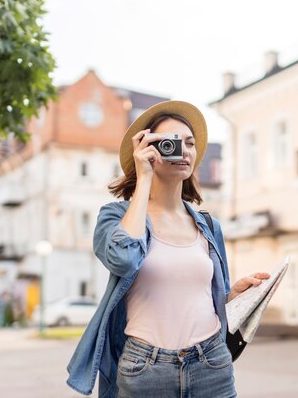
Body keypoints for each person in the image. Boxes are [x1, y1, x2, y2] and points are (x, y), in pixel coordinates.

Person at [67, 101, 270, 398]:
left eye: (189, 143)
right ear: (148, 149)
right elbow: (123, 259)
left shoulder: (208, 226)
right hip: (145, 368)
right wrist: (144, 179)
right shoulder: (115, 217)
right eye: (171, 143)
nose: (183, 150)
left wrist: (233, 296)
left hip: (211, 362)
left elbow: (202, 299)